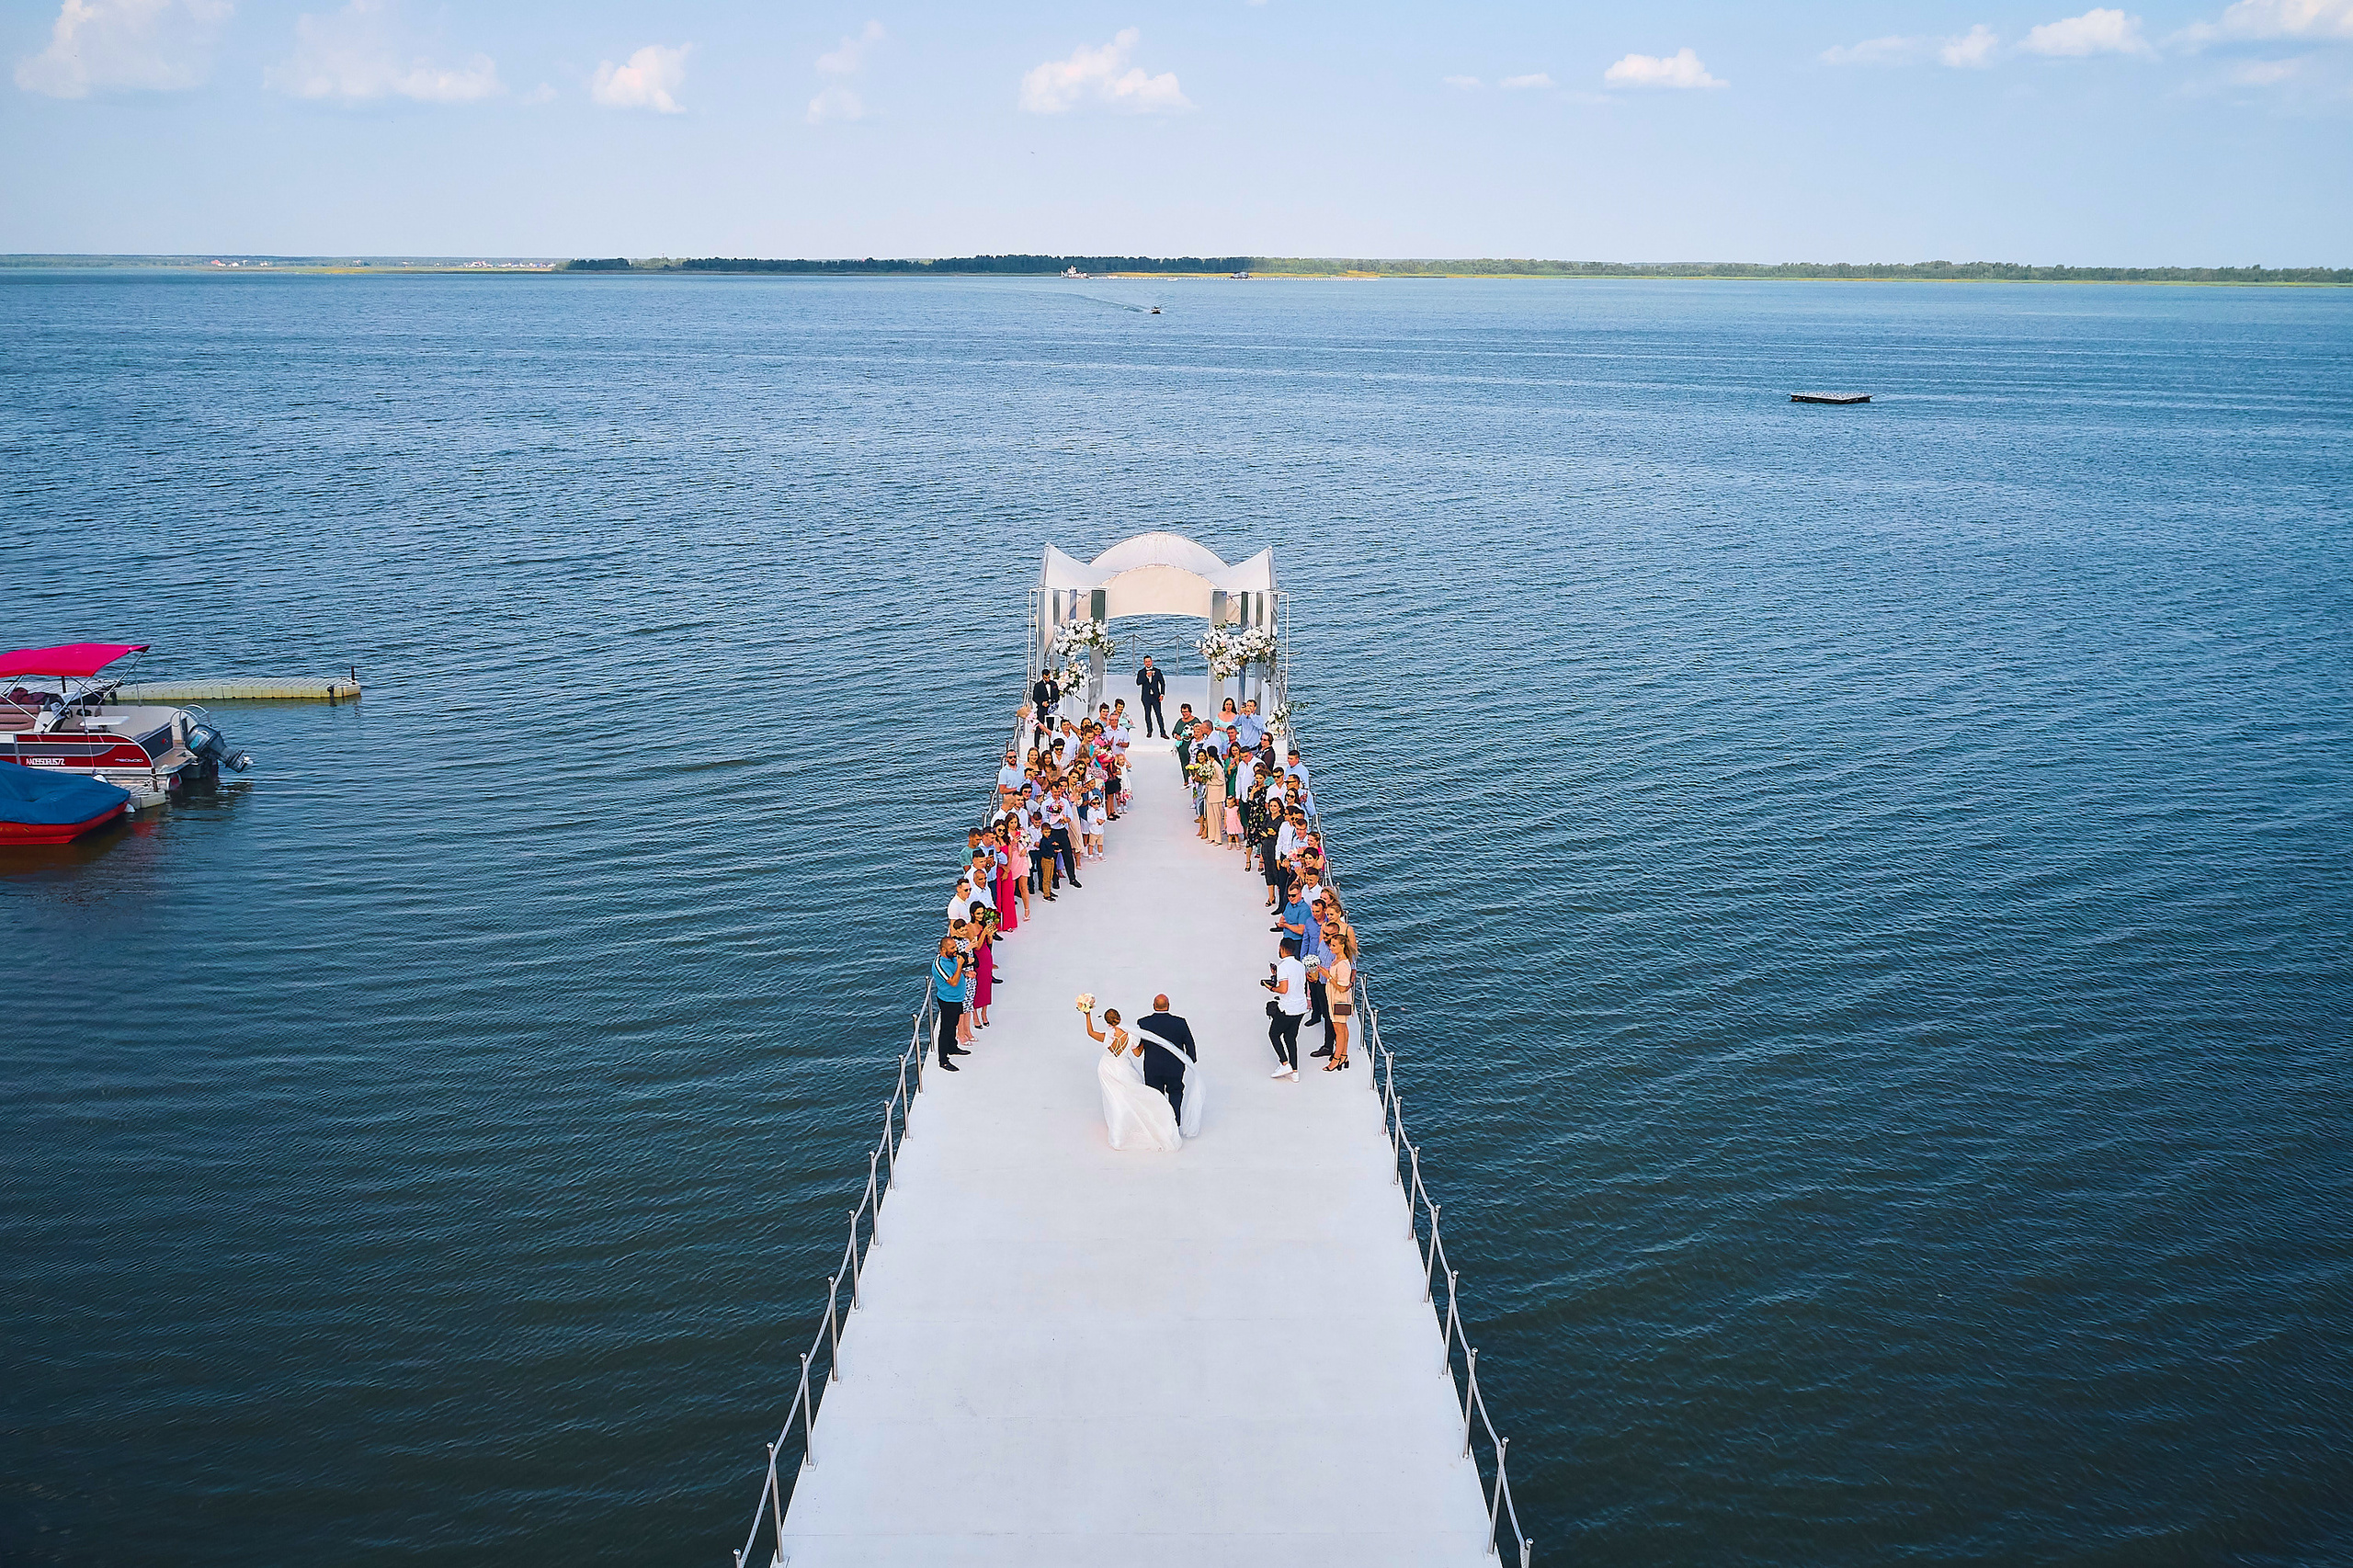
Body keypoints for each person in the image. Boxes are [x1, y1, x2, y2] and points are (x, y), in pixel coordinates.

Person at [1084, 1005, 1183, 1152]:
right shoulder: (1131, 1035)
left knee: (1115, 1099)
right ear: (1119, 1018)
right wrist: (1143, 1042)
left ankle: (1118, 1134)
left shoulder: (1106, 1036)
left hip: (1107, 1068)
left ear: (1107, 1023)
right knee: (1130, 1095)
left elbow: (1090, 1032)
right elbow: (1137, 1053)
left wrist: (1087, 1014)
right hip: (1124, 1068)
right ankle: (1141, 1121)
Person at [1133, 993, 1202, 1134]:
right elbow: (1189, 1043)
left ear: (1154, 1006)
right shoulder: (1180, 1022)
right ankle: (1174, 1124)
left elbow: (1139, 1044)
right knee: (1175, 1093)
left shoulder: (1143, 1022)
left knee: (1155, 1096)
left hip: (1153, 1067)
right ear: (1168, 1006)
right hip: (1174, 1067)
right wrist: (1190, 1060)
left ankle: (1158, 1125)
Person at [1265, 938, 1308, 1080]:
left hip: (1288, 1008)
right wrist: (1276, 975)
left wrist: (1270, 987)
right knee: (1290, 1037)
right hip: (1300, 1008)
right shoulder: (1300, 965)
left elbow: (1283, 989)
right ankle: (1295, 1071)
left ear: (1281, 948)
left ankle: (1284, 1063)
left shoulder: (1283, 967)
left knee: (1273, 1034)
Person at [1321, 922, 1357, 1072]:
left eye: (1334, 945)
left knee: (1339, 1029)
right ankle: (1343, 1055)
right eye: (1331, 945)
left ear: (1342, 946)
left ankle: (1336, 1059)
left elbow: (1342, 987)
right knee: (1342, 1028)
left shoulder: (1343, 964)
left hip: (1339, 1000)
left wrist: (1328, 976)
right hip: (1335, 998)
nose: (1331, 947)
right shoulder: (1338, 959)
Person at [931, 937, 969, 1070]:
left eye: (955, 947)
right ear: (943, 949)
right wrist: (960, 965)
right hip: (948, 1001)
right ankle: (943, 1060)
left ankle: (952, 1047)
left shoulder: (952, 957)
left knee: (953, 1025)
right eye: (952, 948)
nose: (955, 950)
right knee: (946, 1029)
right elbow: (953, 982)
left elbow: (956, 971)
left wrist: (965, 972)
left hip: (957, 999)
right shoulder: (940, 964)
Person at [1137, 656, 1168, 737]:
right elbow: (1138, 682)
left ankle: (1163, 732)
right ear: (1144, 663)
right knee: (1147, 714)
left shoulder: (1157, 671)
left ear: (1152, 661)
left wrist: (1162, 694)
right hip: (1146, 697)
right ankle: (1149, 731)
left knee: (1159, 714)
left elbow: (1162, 683)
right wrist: (1146, 676)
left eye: (1149, 661)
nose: (1148, 663)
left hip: (1156, 697)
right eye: (1146, 662)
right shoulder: (1141, 672)